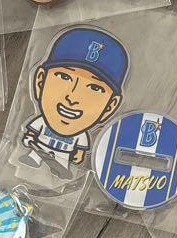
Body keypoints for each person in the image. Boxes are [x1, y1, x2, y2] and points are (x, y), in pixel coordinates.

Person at [21, 26, 128, 171]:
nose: (72, 97)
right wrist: (29, 137)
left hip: (64, 154)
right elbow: (31, 132)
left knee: (62, 163)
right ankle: (35, 158)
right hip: (39, 147)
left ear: (110, 106)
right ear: (40, 81)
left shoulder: (81, 136)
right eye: (64, 77)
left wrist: (78, 154)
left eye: (94, 88)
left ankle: (60, 167)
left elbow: (80, 150)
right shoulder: (40, 122)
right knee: (35, 156)